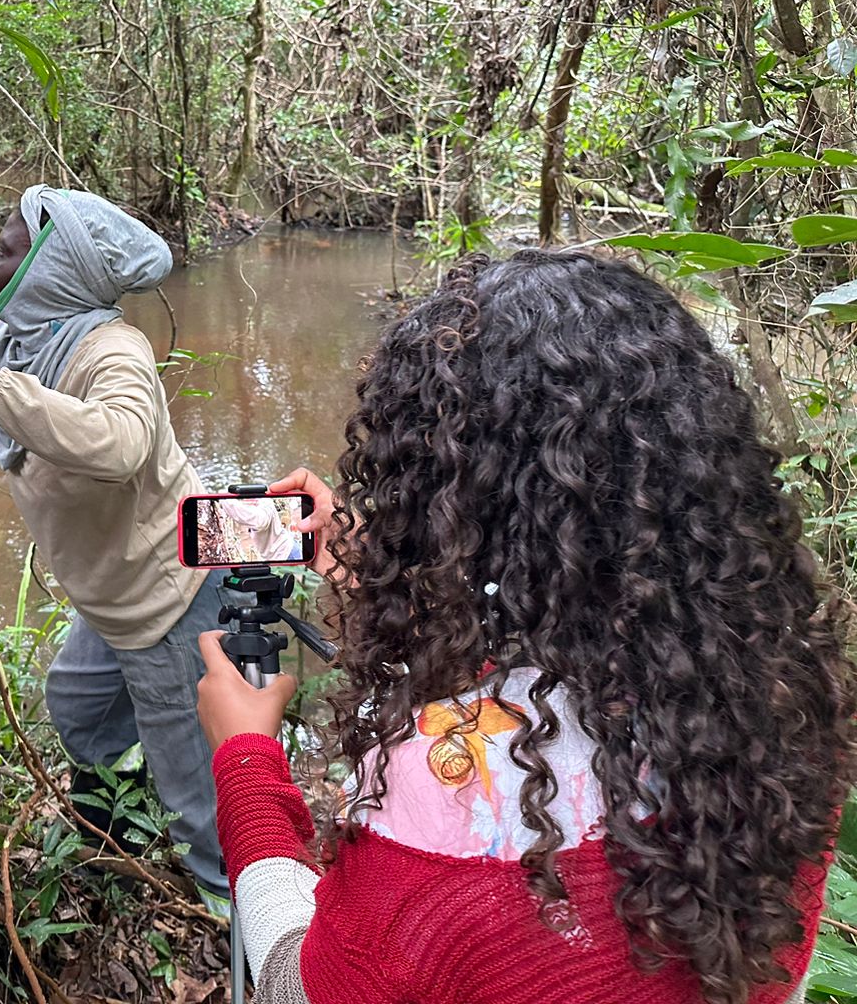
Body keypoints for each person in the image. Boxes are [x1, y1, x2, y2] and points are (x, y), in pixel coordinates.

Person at [198, 251, 853, 1004]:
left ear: (450, 514)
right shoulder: (782, 694)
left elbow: (298, 988)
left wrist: (245, 762)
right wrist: (384, 577)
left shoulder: (442, 819)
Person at [0, 183, 241, 908]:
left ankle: (242, 920)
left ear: (50, 271)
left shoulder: (113, 350)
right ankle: (112, 838)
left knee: (194, 794)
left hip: (169, 591)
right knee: (78, 708)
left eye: (7, 251)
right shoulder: (16, 331)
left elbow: (121, 443)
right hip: (114, 594)